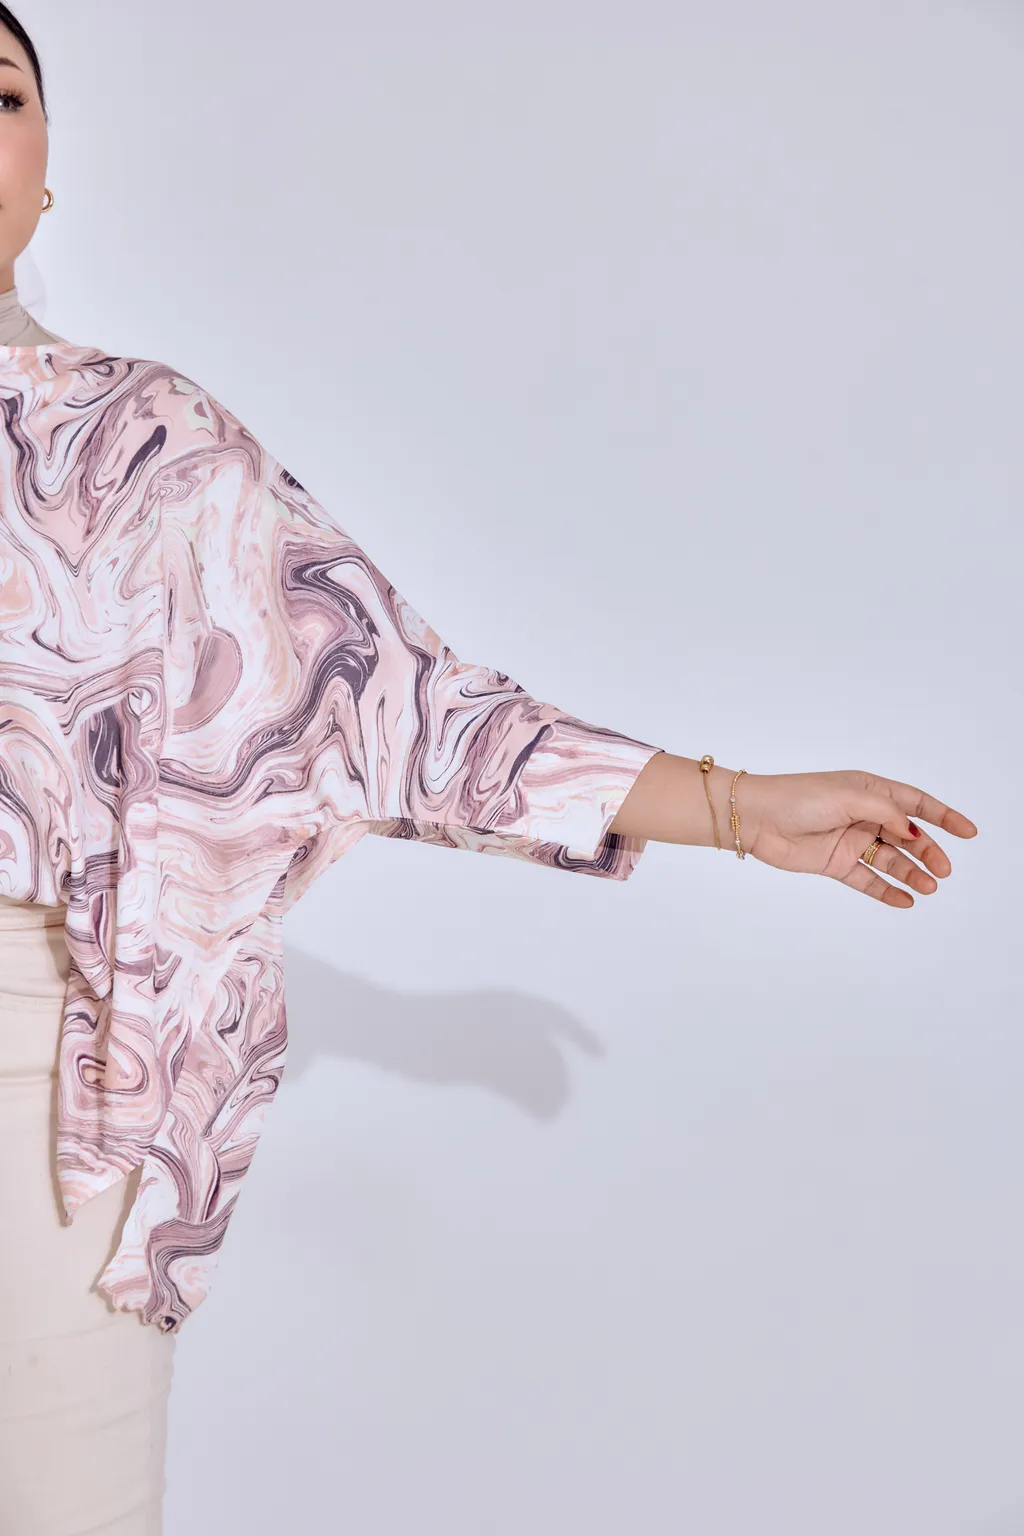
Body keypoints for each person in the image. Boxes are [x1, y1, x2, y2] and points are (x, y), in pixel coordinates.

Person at [0, 8, 978, 1536]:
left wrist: (732, 808)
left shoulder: (151, 450)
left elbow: (404, 706)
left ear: (48, 167)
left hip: (45, 1064)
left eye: (0, 97)